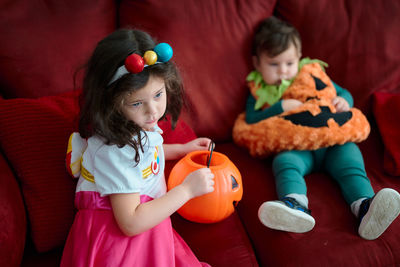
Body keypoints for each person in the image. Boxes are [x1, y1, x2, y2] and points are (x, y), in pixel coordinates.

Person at [61, 29, 214, 266]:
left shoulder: (135, 124)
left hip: (149, 221)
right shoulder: (116, 150)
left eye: (158, 95)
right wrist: (187, 191)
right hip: (120, 242)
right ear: (111, 102)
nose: (152, 110)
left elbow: (147, 157)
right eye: (137, 102)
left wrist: (182, 149)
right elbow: (130, 222)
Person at [246, 16, 400, 240]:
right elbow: (251, 120)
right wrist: (280, 107)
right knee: (285, 163)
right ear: (257, 64)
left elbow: (341, 92)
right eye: (273, 64)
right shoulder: (257, 91)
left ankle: (365, 206)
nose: (283, 72)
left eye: (289, 63)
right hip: (296, 145)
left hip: (331, 141)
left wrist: (344, 101)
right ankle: (295, 205)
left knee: (351, 163)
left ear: (299, 59)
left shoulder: (311, 76)